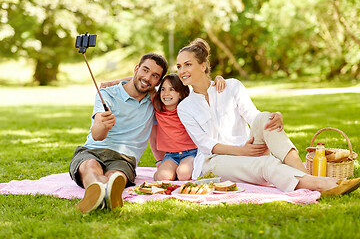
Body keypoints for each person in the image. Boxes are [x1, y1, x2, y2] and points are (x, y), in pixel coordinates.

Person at [176, 38, 360, 196]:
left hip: (249, 148)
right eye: (179, 66)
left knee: (265, 118)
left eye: (187, 64)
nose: (182, 70)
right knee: (266, 163)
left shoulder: (232, 86)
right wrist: (242, 152)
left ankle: (305, 175)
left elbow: (253, 116)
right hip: (214, 161)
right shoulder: (185, 107)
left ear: (203, 66)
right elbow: (205, 144)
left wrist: (275, 116)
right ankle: (321, 184)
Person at [69, 53, 168, 213]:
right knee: (90, 167)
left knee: (117, 176)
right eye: (145, 70)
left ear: (158, 82)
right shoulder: (107, 94)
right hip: (92, 151)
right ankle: (97, 189)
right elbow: (97, 135)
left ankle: (105, 192)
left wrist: (160, 161)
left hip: (124, 158)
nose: (147, 77)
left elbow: (177, 85)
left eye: (155, 76)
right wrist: (104, 125)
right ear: (136, 69)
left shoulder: (155, 101)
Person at [101, 74, 226, 181]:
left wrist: (218, 78)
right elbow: (142, 80)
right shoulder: (157, 104)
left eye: (172, 90)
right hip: (171, 155)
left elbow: (203, 88)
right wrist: (113, 82)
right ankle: (173, 171)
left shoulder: (188, 106)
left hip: (191, 153)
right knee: (162, 177)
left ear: (181, 93)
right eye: (163, 89)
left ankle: (186, 170)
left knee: (183, 174)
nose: (166, 94)